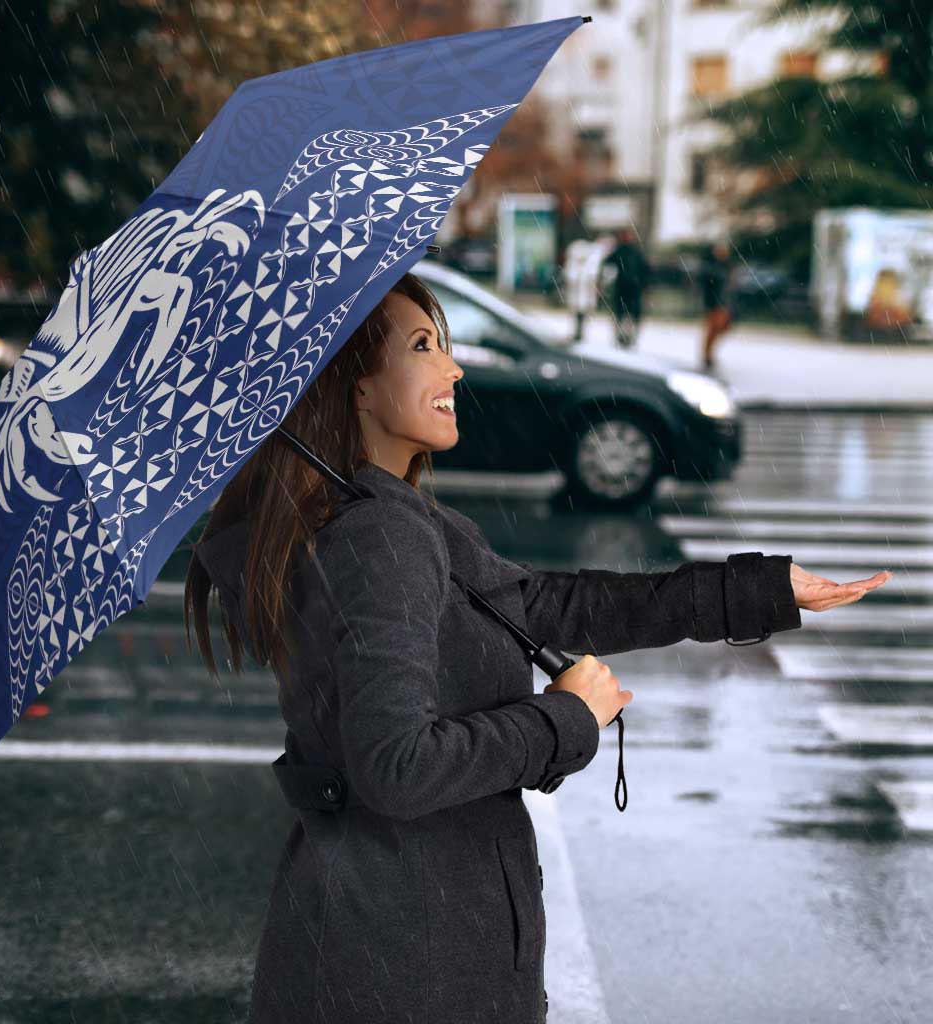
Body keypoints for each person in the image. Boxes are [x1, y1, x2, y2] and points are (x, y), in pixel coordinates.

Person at [185, 271, 891, 1024]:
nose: (453, 368)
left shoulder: (389, 519)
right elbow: (396, 767)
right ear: (355, 387)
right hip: (405, 962)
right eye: (423, 346)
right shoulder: (379, 536)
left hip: (387, 943)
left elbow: (551, 605)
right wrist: (564, 719)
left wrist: (758, 590)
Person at [601, 226, 651, 349]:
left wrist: (644, 284)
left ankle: (628, 337)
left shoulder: (634, 252)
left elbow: (645, 270)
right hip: (624, 288)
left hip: (632, 288)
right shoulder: (621, 251)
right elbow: (607, 264)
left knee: (629, 315)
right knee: (622, 314)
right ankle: (622, 337)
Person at [699, 239, 735, 370]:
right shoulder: (711, 267)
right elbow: (708, 286)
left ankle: (708, 354)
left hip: (723, 303)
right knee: (713, 329)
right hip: (714, 303)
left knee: (721, 328)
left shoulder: (726, 266)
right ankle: (707, 355)